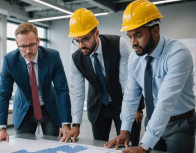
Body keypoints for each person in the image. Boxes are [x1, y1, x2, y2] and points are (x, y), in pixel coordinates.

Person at [104, 0, 195, 153]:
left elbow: (166, 101)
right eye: (130, 36)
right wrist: (125, 130)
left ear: (155, 31)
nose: (132, 42)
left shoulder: (178, 54)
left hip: (179, 124)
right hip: (152, 121)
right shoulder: (134, 58)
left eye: (138, 35)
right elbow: (131, 96)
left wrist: (145, 145)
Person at [62, 8, 145, 145]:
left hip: (122, 102)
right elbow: (77, 92)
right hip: (98, 107)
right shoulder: (76, 59)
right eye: (77, 40)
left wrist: (135, 108)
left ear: (96, 33)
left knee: (128, 146)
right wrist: (75, 124)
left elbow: (127, 79)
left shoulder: (118, 44)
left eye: (85, 39)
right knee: (99, 148)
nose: (81, 45)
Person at [0, 23, 72, 144]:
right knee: (23, 147)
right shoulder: (9, 60)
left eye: (32, 45)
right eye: (23, 46)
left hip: (49, 109)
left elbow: (62, 90)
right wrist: (1, 128)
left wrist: (66, 123)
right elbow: (3, 94)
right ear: (17, 44)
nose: (28, 51)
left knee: (53, 146)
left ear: (38, 41)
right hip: (24, 109)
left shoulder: (52, 56)